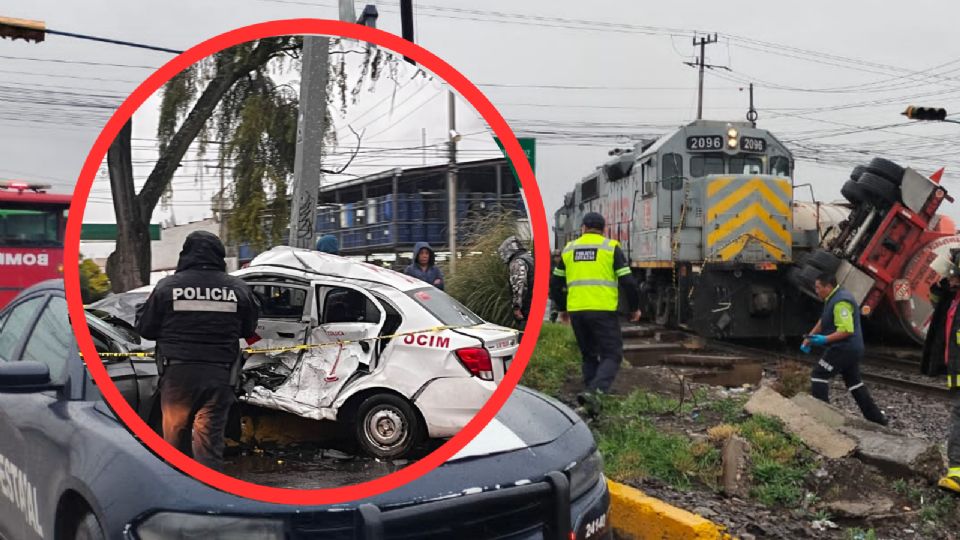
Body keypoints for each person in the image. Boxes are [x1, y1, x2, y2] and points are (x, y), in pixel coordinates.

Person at [136, 231, 259, 471]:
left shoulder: (167, 286)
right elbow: (249, 328)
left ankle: (178, 495)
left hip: (178, 377)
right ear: (219, 256)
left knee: (173, 443)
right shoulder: (237, 288)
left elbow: (146, 329)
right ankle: (209, 496)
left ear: (186, 254)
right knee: (209, 443)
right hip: (219, 375)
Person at [549, 212, 641, 412]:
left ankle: (590, 402)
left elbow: (555, 284)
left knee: (589, 355)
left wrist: (562, 308)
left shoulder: (569, 249)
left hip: (577, 312)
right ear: (604, 229)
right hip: (602, 311)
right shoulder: (610, 248)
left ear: (583, 228)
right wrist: (634, 307)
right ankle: (594, 393)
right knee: (612, 355)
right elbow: (628, 282)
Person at [801, 272, 887, 426]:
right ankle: (876, 418)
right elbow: (823, 319)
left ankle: (823, 418)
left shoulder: (841, 302)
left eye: (818, 287)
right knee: (854, 382)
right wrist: (810, 337)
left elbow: (846, 330)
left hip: (844, 348)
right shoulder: (832, 298)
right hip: (851, 348)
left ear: (828, 287)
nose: (816, 290)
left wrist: (823, 340)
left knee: (819, 375)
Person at [497, 235, 534, 323]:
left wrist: (517, 307)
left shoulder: (517, 262)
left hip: (527, 306)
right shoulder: (529, 259)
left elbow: (519, 285)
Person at [549, 250, 563, 323]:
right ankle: (552, 318)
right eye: (555, 257)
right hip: (554, 288)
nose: (557, 259)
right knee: (553, 305)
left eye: (558, 257)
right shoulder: (551, 266)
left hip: (562, 288)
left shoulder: (563, 265)